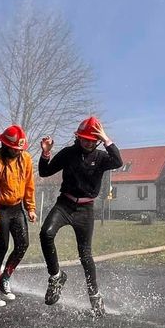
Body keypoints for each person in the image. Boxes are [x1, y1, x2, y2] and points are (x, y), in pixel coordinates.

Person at [38, 116, 122, 316]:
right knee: (45, 233)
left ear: (98, 141)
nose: (88, 142)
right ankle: (56, 277)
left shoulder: (102, 158)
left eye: (93, 140)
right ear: (78, 137)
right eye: (85, 138)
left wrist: (106, 138)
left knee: (85, 255)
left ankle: (95, 295)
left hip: (85, 210)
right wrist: (46, 153)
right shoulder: (69, 153)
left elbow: (118, 161)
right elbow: (44, 172)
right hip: (65, 204)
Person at [0, 125, 36, 306]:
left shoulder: (26, 159)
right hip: (1, 210)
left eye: (20, 149)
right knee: (1, 248)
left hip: (17, 208)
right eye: (14, 148)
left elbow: (29, 184)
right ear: (6, 145)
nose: (17, 151)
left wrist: (30, 208)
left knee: (23, 244)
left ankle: (5, 278)